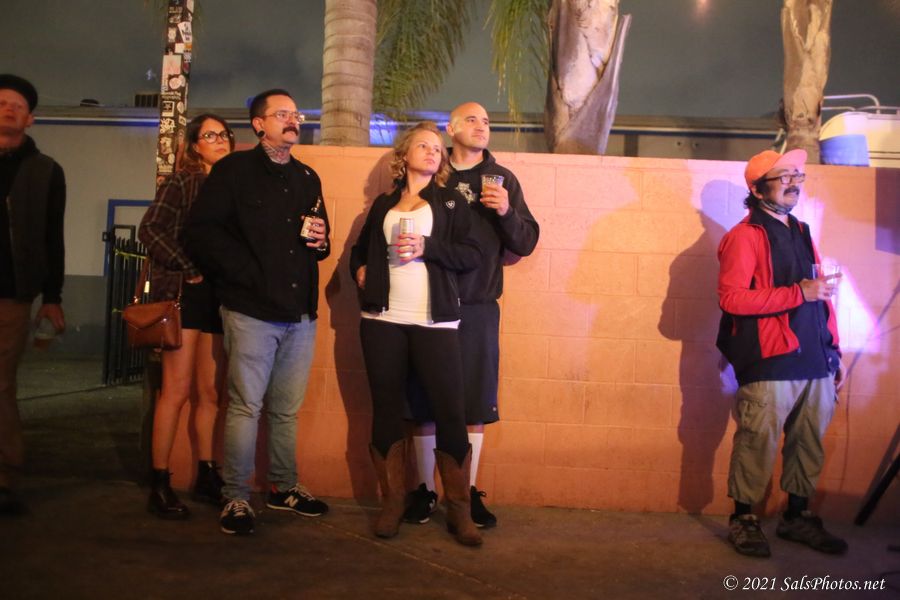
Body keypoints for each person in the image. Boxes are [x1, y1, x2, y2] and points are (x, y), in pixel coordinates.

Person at [185, 89, 330, 536]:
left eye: (296, 113)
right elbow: (202, 233)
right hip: (251, 310)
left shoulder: (307, 177)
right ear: (259, 124)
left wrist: (322, 240)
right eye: (282, 113)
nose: (293, 120)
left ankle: (284, 486)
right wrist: (245, 275)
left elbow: (320, 240)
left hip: (300, 313)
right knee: (246, 406)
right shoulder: (233, 171)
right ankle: (236, 496)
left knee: (285, 410)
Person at [403, 102, 539, 529]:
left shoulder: (502, 179)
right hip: (427, 303)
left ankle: (467, 491)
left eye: (487, 121)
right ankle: (424, 490)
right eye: (472, 120)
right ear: (451, 128)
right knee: (422, 400)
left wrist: (505, 211)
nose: (482, 126)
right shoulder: (433, 170)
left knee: (475, 403)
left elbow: (526, 242)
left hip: (478, 306)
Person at [350, 121, 483, 546]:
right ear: (404, 155)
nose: (432, 151)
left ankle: (459, 510)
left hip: (435, 321)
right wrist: (360, 269)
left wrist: (428, 247)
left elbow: (472, 255)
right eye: (422, 145)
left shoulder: (451, 202)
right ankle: (392, 503)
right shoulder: (383, 204)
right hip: (381, 320)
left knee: (450, 410)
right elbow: (358, 251)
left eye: (437, 148)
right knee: (386, 409)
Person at [716, 148, 847, 558]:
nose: (794, 183)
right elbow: (732, 299)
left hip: (815, 358)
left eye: (797, 176)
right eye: (784, 177)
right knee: (758, 439)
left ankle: (796, 517)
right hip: (770, 360)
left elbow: (820, 297)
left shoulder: (802, 231)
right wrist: (798, 293)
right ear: (757, 190)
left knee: (808, 442)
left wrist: (833, 349)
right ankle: (743, 519)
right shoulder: (743, 236)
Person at [138, 113, 235, 518]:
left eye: (224, 134)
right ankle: (160, 483)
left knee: (210, 393)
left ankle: (207, 475)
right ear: (195, 145)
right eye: (210, 135)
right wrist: (187, 267)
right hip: (186, 293)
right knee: (175, 391)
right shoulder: (182, 182)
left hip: (220, 296)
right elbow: (150, 229)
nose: (220, 140)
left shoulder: (235, 185)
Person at [0, 75, 65, 516]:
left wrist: (53, 295)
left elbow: (52, 236)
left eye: (17, 105)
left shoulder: (46, 171)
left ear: (30, 119)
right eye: (2, 102)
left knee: (2, 384)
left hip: (12, 294)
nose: (8, 108)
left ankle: (5, 476)